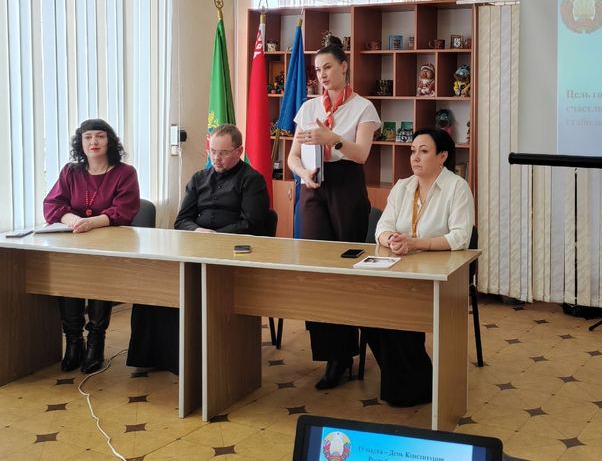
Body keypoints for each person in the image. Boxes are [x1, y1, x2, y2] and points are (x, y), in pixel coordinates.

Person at [127, 124, 270, 373]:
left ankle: (189, 359)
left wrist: (216, 237)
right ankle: (152, 357)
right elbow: (181, 220)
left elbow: (252, 223)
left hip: (231, 250)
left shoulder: (252, 180)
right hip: (196, 245)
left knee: (192, 288)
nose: (216, 158)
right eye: (212, 151)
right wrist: (198, 232)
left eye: (223, 153)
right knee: (155, 283)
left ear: (239, 151)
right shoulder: (198, 178)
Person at [287, 35, 381, 390]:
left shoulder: (363, 108)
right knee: (316, 270)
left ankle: (346, 352)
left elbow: (362, 154)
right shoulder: (309, 107)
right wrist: (302, 173)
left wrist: (332, 139)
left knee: (344, 270)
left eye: (328, 67)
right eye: (317, 70)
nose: (322, 75)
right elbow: (292, 156)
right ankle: (330, 354)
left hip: (346, 186)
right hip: (313, 186)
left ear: (344, 66)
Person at [365, 128, 474, 406]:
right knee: (367, 309)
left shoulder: (457, 188)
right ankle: (407, 381)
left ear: (442, 156)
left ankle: (415, 384)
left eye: (423, 151)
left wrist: (417, 243)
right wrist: (392, 239)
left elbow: (460, 237)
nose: (415, 157)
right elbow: (382, 227)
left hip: (439, 272)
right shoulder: (403, 186)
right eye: (413, 151)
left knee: (397, 310)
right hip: (398, 267)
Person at [43, 118, 140, 373]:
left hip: (109, 244)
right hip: (75, 242)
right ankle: (73, 342)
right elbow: (52, 204)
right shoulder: (70, 172)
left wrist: (91, 222)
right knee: (68, 275)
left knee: (98, 275)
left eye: (100, 136)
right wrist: (72, 219)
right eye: (87, 137)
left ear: (110, 141)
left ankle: (95, 343)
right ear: (81, 142)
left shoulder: (125, 173)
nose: (93, 142)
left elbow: (125, 210)